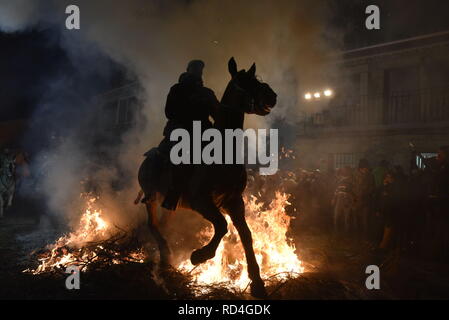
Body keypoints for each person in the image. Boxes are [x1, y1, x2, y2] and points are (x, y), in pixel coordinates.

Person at [158, 60, 220, 210]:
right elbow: (169, 112)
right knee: (182, 157)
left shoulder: (207, 93)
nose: (198, 71)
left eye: (200, 69)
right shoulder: (177, 89)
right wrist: (188, 106)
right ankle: (173, 194)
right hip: (181, 129)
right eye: (195, 68)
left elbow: (217, 114)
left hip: (204, 132)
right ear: (188, 70)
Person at [353, 158, 375, 241]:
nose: (365, 169)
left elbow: (372, 188)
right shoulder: (356, 175)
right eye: (364, 167)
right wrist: (354, 196)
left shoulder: (370, 176)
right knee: (356, 219)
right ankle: (357, 235)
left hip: (366, 200)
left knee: (365, 220)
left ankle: (365, 236)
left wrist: (366, 193)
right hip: (357, 200)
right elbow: (352, 186)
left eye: (366, 168)